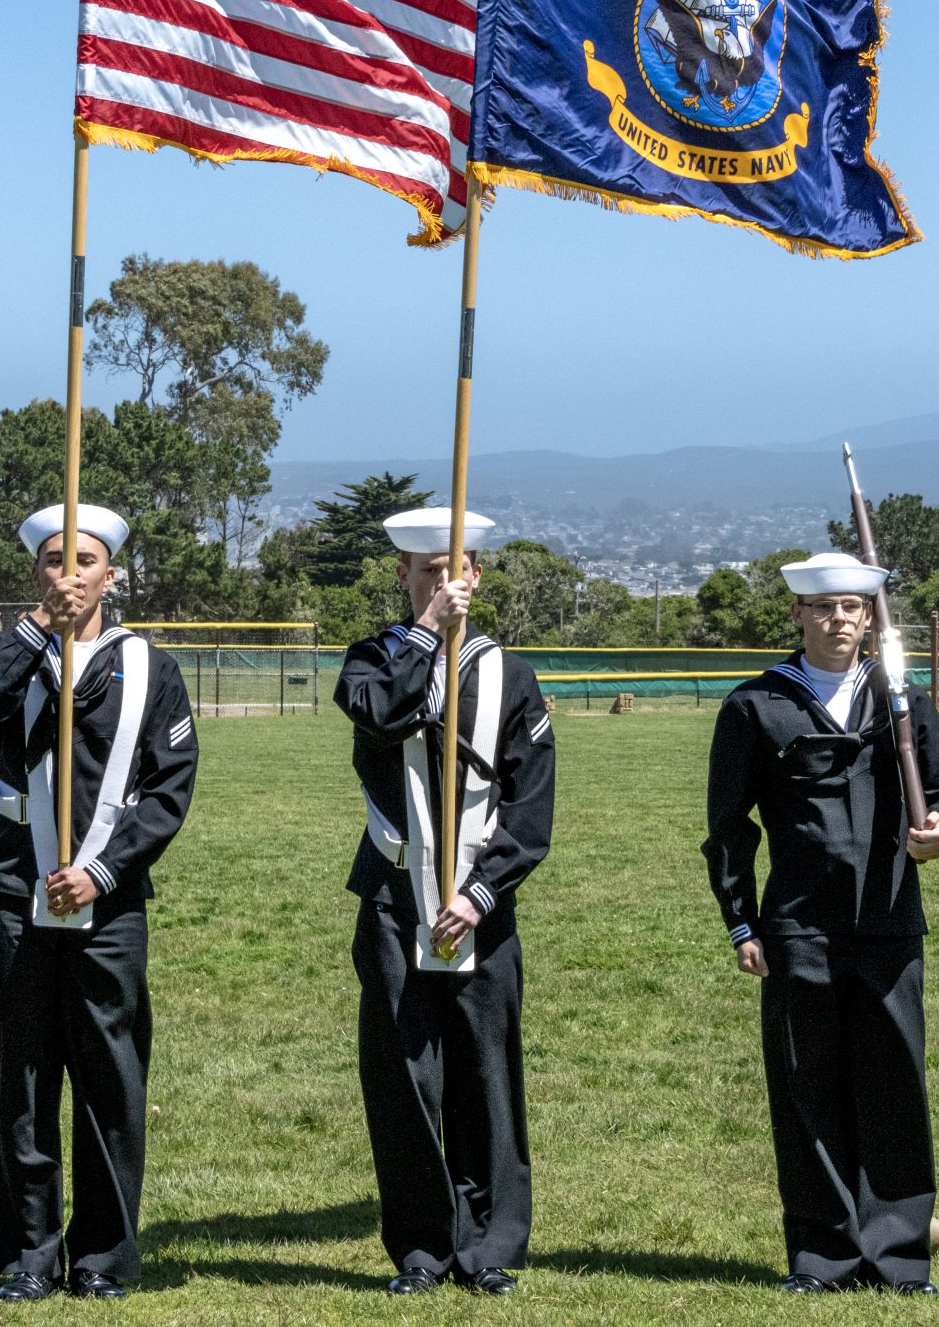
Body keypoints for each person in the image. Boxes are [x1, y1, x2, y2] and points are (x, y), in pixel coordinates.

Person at [702, 550, 939, 1297]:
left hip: (889, 925)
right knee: (808, 1090)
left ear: (868, 616)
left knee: (893, 1086)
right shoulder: (756, 706)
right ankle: (822, 1257)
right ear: (797, 614)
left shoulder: (901, 698)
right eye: (824, 608)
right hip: (799, 929)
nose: (839, 620)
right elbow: (729, 829)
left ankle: (896, 1257)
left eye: (853, 608)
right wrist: (741, 921)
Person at [0, 504, 199, 1303]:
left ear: (111, 575)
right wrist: (28, 635)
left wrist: (107, 870)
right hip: (17, 888)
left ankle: (103, 1257)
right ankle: (25, 1255)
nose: (69, 574)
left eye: (85, 561)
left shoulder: (150, 666)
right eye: (54, 561)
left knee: (109, 1077)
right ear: (36, 573)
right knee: (19, 1079)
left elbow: (169, 789)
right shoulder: (4, 650)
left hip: (108, 902)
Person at [333, 507, 556, 1297]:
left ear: (477, 576)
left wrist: (482, 893)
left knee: (485, 1071)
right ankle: (423, 1245)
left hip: (480, 909)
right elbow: (378, 713)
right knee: (404, 1074)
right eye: (426, 571)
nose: (441, 582)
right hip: (396, 898)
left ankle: (491, 1244)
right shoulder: (372, 659)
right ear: (402, 575)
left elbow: (532, 810)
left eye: (453, 571)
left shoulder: (513, 676)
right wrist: (427, 630)